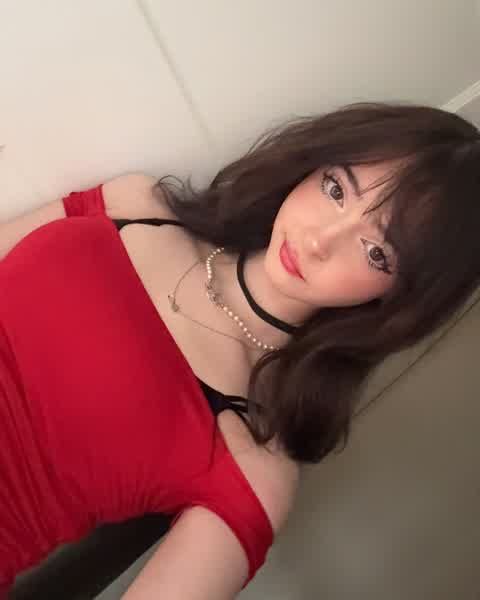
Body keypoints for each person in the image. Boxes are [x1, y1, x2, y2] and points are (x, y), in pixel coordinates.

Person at [1, 101, 479, 599]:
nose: (320, 240)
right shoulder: (134, 204)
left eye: (376, 252)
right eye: (336, 189)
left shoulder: (252, 461)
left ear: (401, 299)